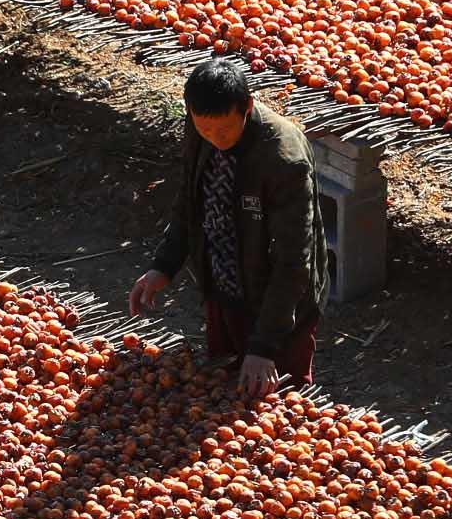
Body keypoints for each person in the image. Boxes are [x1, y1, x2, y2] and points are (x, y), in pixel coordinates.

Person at [129, 58, 330, 398]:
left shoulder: (283, 159)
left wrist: (265, 346)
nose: (215, 138)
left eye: (224, 130)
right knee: (223, 384)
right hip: (224, 280)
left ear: (247, 107)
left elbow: (295, 260)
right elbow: (190, 202)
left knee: (276, 398)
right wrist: (163, 266)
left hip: (279, 299)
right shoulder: (200, 126)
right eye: (206, 130)